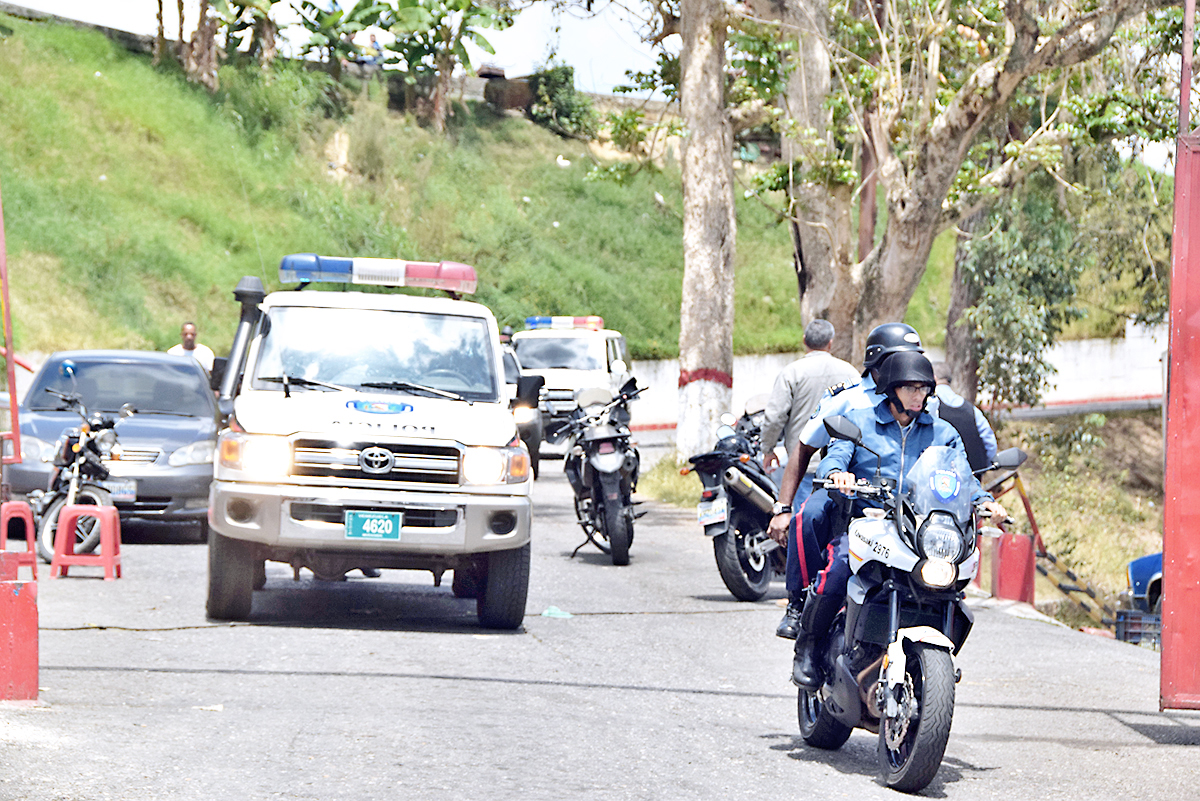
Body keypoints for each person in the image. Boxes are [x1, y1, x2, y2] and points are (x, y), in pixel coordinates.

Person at [790, 350, 1007, 688]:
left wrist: (984, 502)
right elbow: (837, 456)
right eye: (910, 388)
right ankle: (808, 644)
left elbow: (961, 476)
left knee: (951, 586)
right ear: (891, 389)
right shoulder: (861, 422)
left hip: (919, 528)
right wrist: (838, 474)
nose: (918, 396)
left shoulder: (942, 432)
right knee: (838, 568)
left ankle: (934, 665)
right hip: (869, 520)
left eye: (923, 389)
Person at [768, 322, 924, 639]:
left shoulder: (920, 400)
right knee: (808, 517)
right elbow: (805, 447)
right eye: (901, 358)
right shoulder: (850, 397)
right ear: (878, 363)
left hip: (902, 496)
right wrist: (783, 507)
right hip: (847, 488)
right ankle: (799, 604)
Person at [758, 320, 858, 638]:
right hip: (843, 474)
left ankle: (800, 602)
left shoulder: (792, 373)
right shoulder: (851, 374)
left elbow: (774, 416)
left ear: (805, 341)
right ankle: (805, 604)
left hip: (803, 468)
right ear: (830, 342)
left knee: (801, 532)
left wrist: (767, 448)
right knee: (817, 530)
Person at [932, 361, 997, 472]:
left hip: (939, 479)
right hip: (972, 477)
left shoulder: (930, 407)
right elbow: (990, 443)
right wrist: (985, 467)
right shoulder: (971, 410)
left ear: (934, 378)